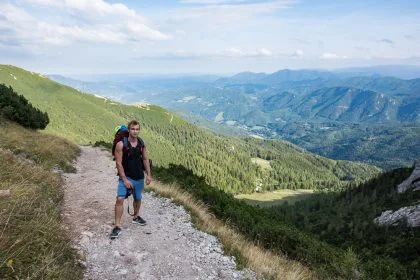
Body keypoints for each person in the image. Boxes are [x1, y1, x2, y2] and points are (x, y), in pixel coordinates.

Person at [110, 120, 152, 239]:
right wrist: (125, 180)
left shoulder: (141, 143)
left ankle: (136, 216)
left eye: (137, 129)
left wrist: (148, 175)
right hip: (126, 176)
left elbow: (145, 159)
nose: (135, 131)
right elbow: (118, 163)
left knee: (138, 198)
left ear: (139, 130)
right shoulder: (121, 144)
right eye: (133, 129)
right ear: (128, 130)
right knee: (120, 199)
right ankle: (117, 226)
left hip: (139, 176)